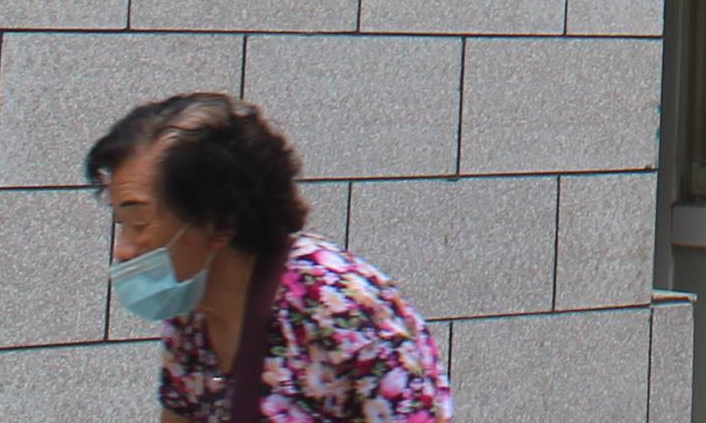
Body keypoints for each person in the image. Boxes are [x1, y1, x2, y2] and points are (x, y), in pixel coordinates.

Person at [90, 92, 450, 423]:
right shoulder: (191, 314)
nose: (123, 250)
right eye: (122, 224)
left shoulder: (340, 306)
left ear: (219, 224)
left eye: (139, 223)